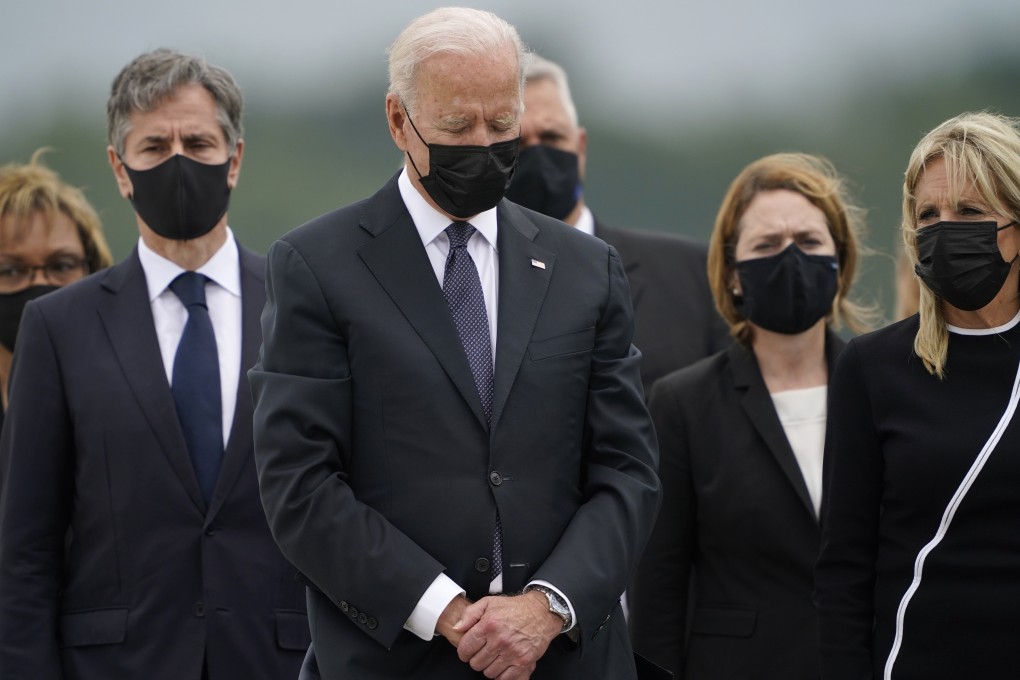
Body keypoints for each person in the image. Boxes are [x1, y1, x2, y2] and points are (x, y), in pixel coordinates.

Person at [249, 8, 661, 680]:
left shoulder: (585, 268)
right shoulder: (317, 266)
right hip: (398, 658)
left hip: (563, 659)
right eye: (456, 125)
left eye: (502, 125)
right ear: (398, 120)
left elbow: (628, 472)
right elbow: (299, 484)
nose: (482, 143)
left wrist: (546, 608)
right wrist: (444, 610)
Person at [0, 49, 309, 679]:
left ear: (235, 159)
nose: (177, 161)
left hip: (278, 661)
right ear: (119, 168)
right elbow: (27, 549)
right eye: (154, 146)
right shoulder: (59, 326)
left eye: (197, 142)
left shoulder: (307, 309)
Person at [629, 153, 873, 679]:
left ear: (840, 261)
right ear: (734, 273)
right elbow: (657, 590)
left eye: (809, 242)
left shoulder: (885, 388)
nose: (790, 258)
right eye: (766, 245)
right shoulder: (683, 404)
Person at [816, 111, 1020, 679]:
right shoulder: (873, 366)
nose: (944, 228)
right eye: (928, 214)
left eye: (970, 211)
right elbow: (844, 567)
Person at [505, 55, 729, 396]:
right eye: (518, 142)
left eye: (552, 136)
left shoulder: (691, 275)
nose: (538, 154)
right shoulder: (468, 280)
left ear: (580, 147)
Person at [0, 150, 113, 418]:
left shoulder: (124, 403)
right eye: (11, 270)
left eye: (61, 266)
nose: (39, 285)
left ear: (93, 269)